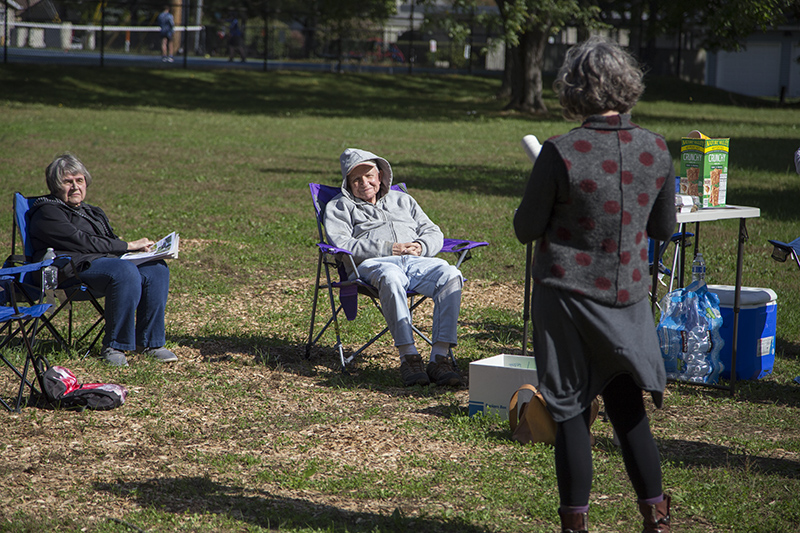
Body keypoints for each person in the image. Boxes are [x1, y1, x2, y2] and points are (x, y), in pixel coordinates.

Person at [513, 37, 676, 533]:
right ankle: (657, 518)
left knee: (569, 411)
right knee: (628, 410)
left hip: (565, 299)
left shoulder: (560, 152)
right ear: (626, 85)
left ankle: (575, 527)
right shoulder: (657, 148)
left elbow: (525, 228)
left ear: (574, 89)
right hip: (626, 297)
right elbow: (664, 230)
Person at [324, 148, 464, 388]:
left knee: (451, 274)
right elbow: (342, 243)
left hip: (416, 261)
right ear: (347, 183)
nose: (364, 183)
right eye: (356, 179)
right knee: (391, 276)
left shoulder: (403, 200)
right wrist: (390, 249)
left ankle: (440, 358)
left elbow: (433, 231)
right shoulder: (339, 206)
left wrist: (421, 247)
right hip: (373, 265)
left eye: (369, 176)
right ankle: (408, 357)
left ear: (380, 176)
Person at [28, 153, 178, 367]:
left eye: (79, 181)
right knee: (123, 271)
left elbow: (107, 242)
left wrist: (141, 254)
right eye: (67, 182)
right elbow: (82, 242)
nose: (75, 187)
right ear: (55, 185)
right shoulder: (47, 212)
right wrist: (127, 246)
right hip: (68, 270)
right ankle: (115, 345)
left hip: (104, 264)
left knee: (156, 269)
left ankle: (150, 343)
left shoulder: (92, 212)